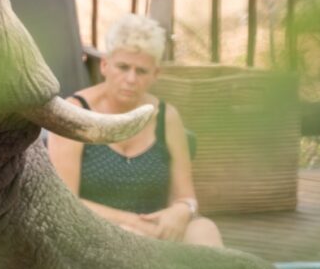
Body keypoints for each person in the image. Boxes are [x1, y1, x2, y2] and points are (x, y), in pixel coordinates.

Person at [47, 14, 222, 247]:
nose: (130, 79)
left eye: (141, 71)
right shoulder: (75, 113)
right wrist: (132, 223)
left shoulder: (166, 117)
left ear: (155, 74)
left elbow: (186, 197)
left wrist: (180, 212)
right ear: (105, 65)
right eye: (123, 67)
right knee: (133, 240)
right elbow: (65, 203)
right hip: (90, 233)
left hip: (156, 234)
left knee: (204, 229)